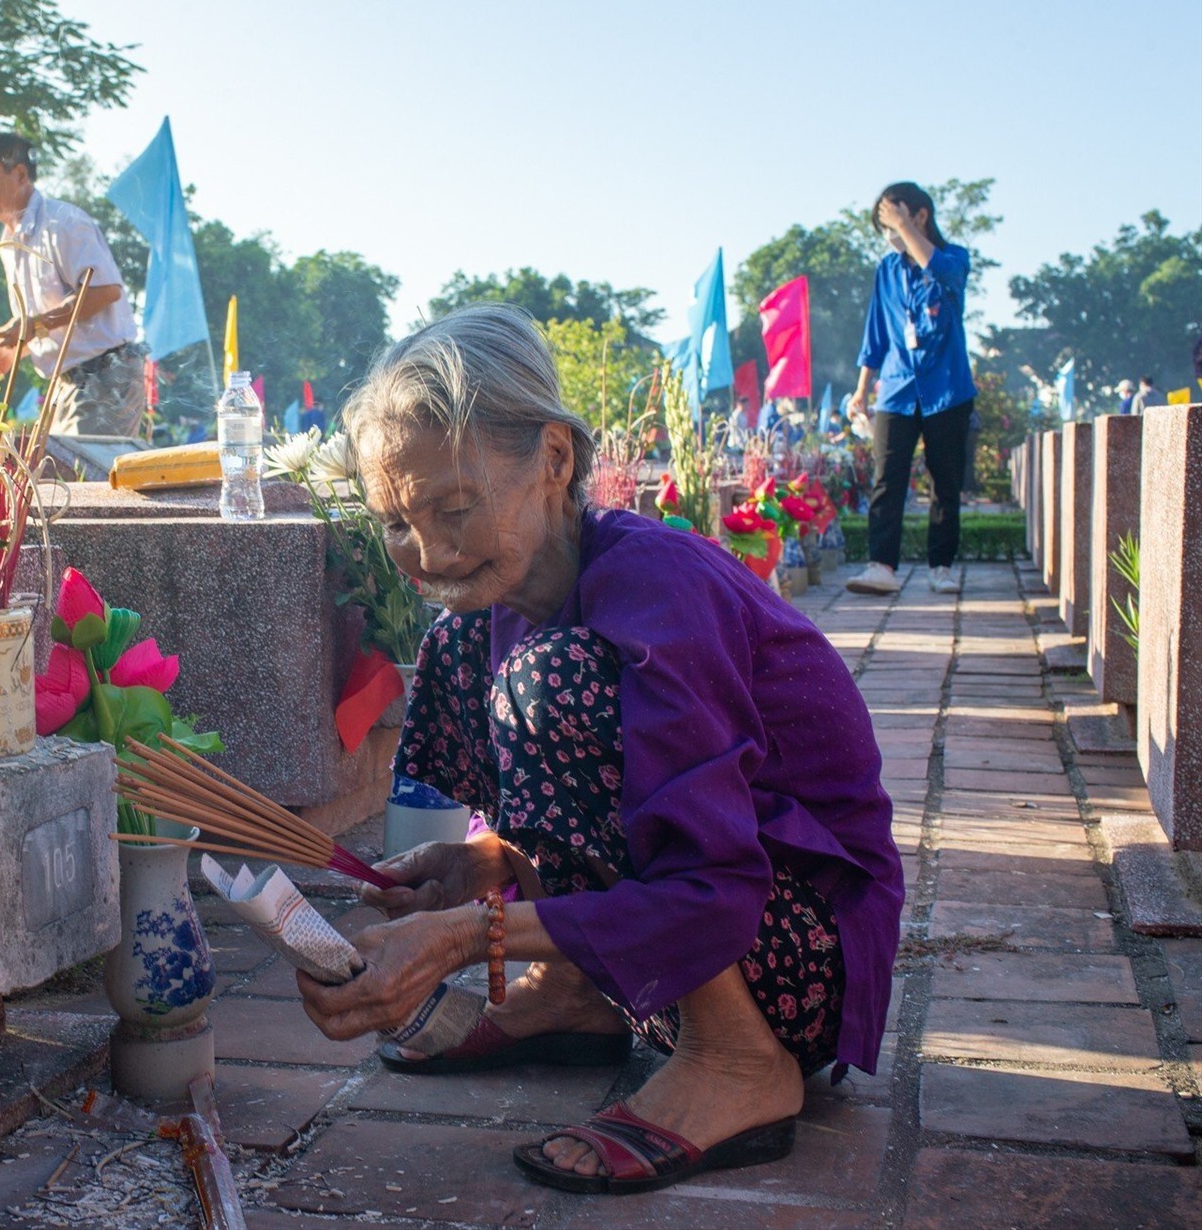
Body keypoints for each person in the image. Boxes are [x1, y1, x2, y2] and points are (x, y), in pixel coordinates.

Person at [296, 305, 901, 1195]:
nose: (424, 552)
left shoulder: (657, 592)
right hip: (668, 944)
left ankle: (735, 1056)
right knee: (465, 643)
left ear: (554, 460)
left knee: (555, 679)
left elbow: (719, 886)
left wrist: (466, 937)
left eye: (454, 507)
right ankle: (573, 985)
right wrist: (488, 864)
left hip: (793, 951)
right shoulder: (505, 598)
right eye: (395, 520)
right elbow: (593, 811)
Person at [0, 132, 147, 437]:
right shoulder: (9, 243)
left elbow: (105, 291)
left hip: (105, 376)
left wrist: (32, 325)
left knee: (82, 481)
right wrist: (13, 350)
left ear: (20, 174)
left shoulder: (63, 222)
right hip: (66, 383)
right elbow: (54, 321)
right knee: (54, 480)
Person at [847, 182, 975, 597]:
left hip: (947, 389)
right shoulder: (887, 270)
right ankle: (881, 565)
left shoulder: (954, 258)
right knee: (888, 478)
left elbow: (943, 274)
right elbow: (876, 334)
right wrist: (861, 389)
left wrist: (905, 226)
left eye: (894, 222)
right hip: (898, 388)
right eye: (885, 227)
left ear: (919, 216)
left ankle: (942, 566)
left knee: (945, 479)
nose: (890, 234)